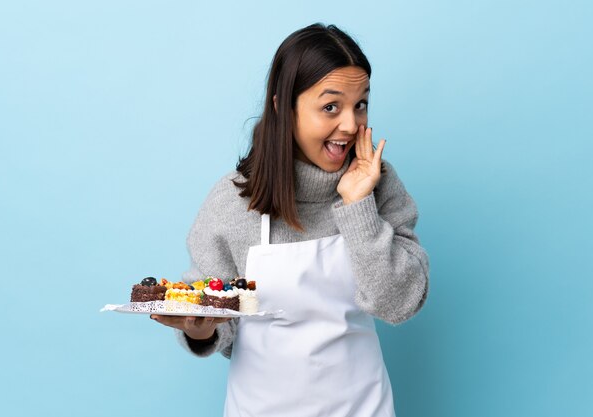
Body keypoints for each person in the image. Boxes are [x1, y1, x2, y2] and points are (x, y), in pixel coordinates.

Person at [151, 22, 429, 417]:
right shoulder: (234, 201)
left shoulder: (377, 183)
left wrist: (357, 206)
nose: (351, 125)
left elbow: (399, 303)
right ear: (284, 107)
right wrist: (202, 328)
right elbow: (216, 313)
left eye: (360, 104)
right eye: (331, 106)